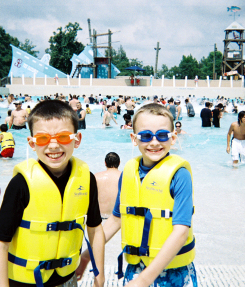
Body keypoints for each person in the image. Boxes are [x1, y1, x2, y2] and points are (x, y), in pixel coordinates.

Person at [77, 103, 197, 287]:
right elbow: (116, 220)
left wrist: (144, 280)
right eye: (146, 136)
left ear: (173, 138)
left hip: (174, 273)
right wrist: (87, 255)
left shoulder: (180, 175)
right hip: (136, 268)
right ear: (134, 138)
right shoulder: (129, 172)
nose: (155, 142)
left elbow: (180, 232)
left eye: (163, 135)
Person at [0, 100, 105, 287]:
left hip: (67, 279)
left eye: (63, 137)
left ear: (77, 140)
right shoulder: (21, 184)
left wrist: (99, 275)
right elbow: (0, 244)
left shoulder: (86, 179)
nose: (53, 146)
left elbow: (95, 229)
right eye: (43, 139)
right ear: (32, 143)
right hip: (24, 282)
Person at [94, 152, 121, 219]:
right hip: (117, 220)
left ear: (105, 163)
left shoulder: (96, 177)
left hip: (100, 218)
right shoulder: (124, 177)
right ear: (119, 163)